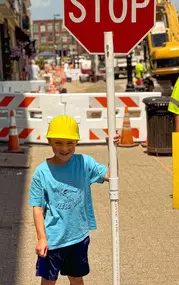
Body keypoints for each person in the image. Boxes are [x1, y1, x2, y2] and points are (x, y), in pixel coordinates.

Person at [29, 115, 119, 285]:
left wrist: (112, 148)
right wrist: (42, 238)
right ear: (49, 141)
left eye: (70, 143)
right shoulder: (41, 172)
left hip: (78, 237)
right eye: (58, 143)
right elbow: (37, 208)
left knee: (77, 279)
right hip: (53, 240)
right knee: (48, 280)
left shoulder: (84, 163)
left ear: (76, 142)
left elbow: (110, 175)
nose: (64, 148)